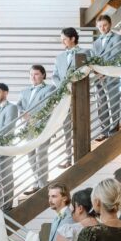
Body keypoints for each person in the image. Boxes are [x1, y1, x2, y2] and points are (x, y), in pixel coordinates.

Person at [18, 65, 57, 192]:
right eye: (31, 74)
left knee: (41, 154)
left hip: (43, 127)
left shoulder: (50, 88)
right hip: (28, 128)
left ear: (43, 75)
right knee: (30, 155)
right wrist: (23, 114)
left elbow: (48, 106)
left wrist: (32, 116)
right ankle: (37, 181)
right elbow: (18, 106)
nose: (33, 77)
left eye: (36, 74)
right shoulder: (24, 92)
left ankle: (42, 183)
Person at [91, 14, 121, 140]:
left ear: (110, 24)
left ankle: (114, 130)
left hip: (111, 74)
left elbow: (116, 56)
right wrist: (97, 72)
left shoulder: (117, 37)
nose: (103, 28)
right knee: (101, 103)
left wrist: (104, 71)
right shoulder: (96, 42)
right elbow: (93, 59)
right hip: (98, 76)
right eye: (100, 26)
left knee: (113, 102)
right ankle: (104, 131)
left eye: (105, 25)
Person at [0, 82, 20, 210]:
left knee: (6, 178)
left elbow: (8, 128)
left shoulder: (11, 108)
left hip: (5, 149)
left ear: (5, 93)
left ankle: (7, 206)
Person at [52, 28, 80, 165]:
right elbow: (54, 76)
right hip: (64, 97)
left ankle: (80, 155)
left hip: (79, 95)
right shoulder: (59, 58)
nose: (62, 41)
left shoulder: (86, 53)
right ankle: (69, 157)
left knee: (80, 125)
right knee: (66, 127)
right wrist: (62, 86)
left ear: (72, 39)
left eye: (64, 38)